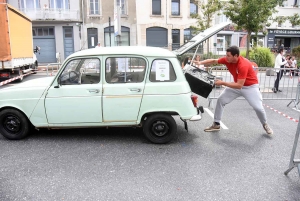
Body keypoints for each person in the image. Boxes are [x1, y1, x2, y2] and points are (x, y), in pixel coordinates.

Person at [196, 46, 273, 135]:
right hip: (237, 85)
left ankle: (265, 124)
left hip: (250, 87)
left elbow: (239, 85)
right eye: (226, 55)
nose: (226, 57)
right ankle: (216, 124)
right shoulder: (227, 60)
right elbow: (213, 61)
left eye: (228, 55)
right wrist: (200, 62)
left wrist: (222, 83)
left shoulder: (243, 65)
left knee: (258, 108)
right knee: (221, 100)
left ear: (235, 56)